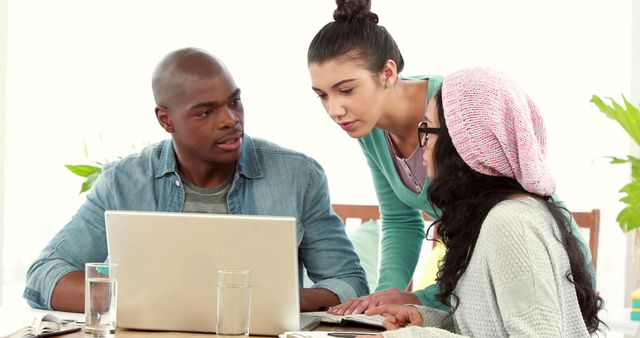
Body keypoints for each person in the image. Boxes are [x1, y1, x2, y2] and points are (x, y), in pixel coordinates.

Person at [23, 47, 368, 313]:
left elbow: (349, 282)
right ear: (166, 120)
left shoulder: (297, 176)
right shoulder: (123, 183)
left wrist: (273, 301)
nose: (230, 120)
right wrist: (141, 299)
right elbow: (44, 275)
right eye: (206, 111)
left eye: (235, 101)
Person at [307, 0, 594, 314]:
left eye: (346, 90)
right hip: (474, 280)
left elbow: (513, 201)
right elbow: (401, 221)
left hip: (540, 272)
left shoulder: (451, 107)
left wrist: (419, 299)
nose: (334, 110)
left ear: (387, 72)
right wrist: (377, 302)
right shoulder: (369, 127)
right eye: (322, 95)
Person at [363, 66, 602, 337]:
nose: (422, 143)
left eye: (428, 128)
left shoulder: (511, 223)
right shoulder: (486, 220)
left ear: (465, 144)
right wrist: (424, 318)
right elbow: (486, 324)